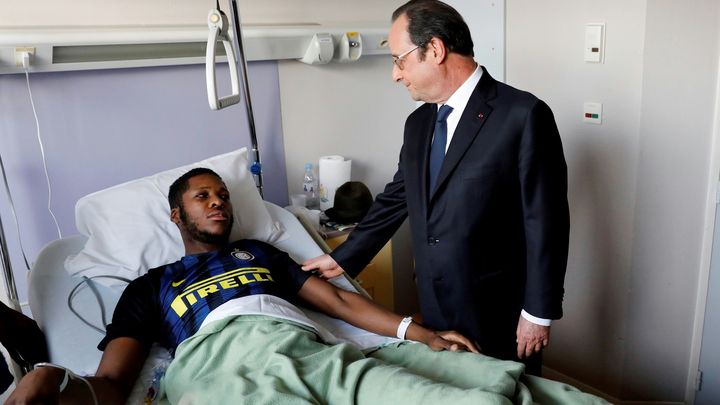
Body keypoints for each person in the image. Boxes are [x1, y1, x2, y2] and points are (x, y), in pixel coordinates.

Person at [5, 168, 494, 405]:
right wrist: (55, 383)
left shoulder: (260, 253)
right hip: (220, 366)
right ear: (177, 216)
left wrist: (419, 333)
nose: (219, 202)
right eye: (203, 197)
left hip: (303, 349)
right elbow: (112, 384)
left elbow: (340, 302)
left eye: (222, 195)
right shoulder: (151, 286)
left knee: (461, 394)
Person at [302, 0, 569, 375]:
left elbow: (548, 222)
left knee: (509, 393)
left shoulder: (522, 116)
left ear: (436, 50)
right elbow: (398, 197)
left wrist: (538, 313)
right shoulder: (418, 124)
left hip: (497, 307)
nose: (396, 75)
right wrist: (343, 257)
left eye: (400, 60)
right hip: (434, 301)